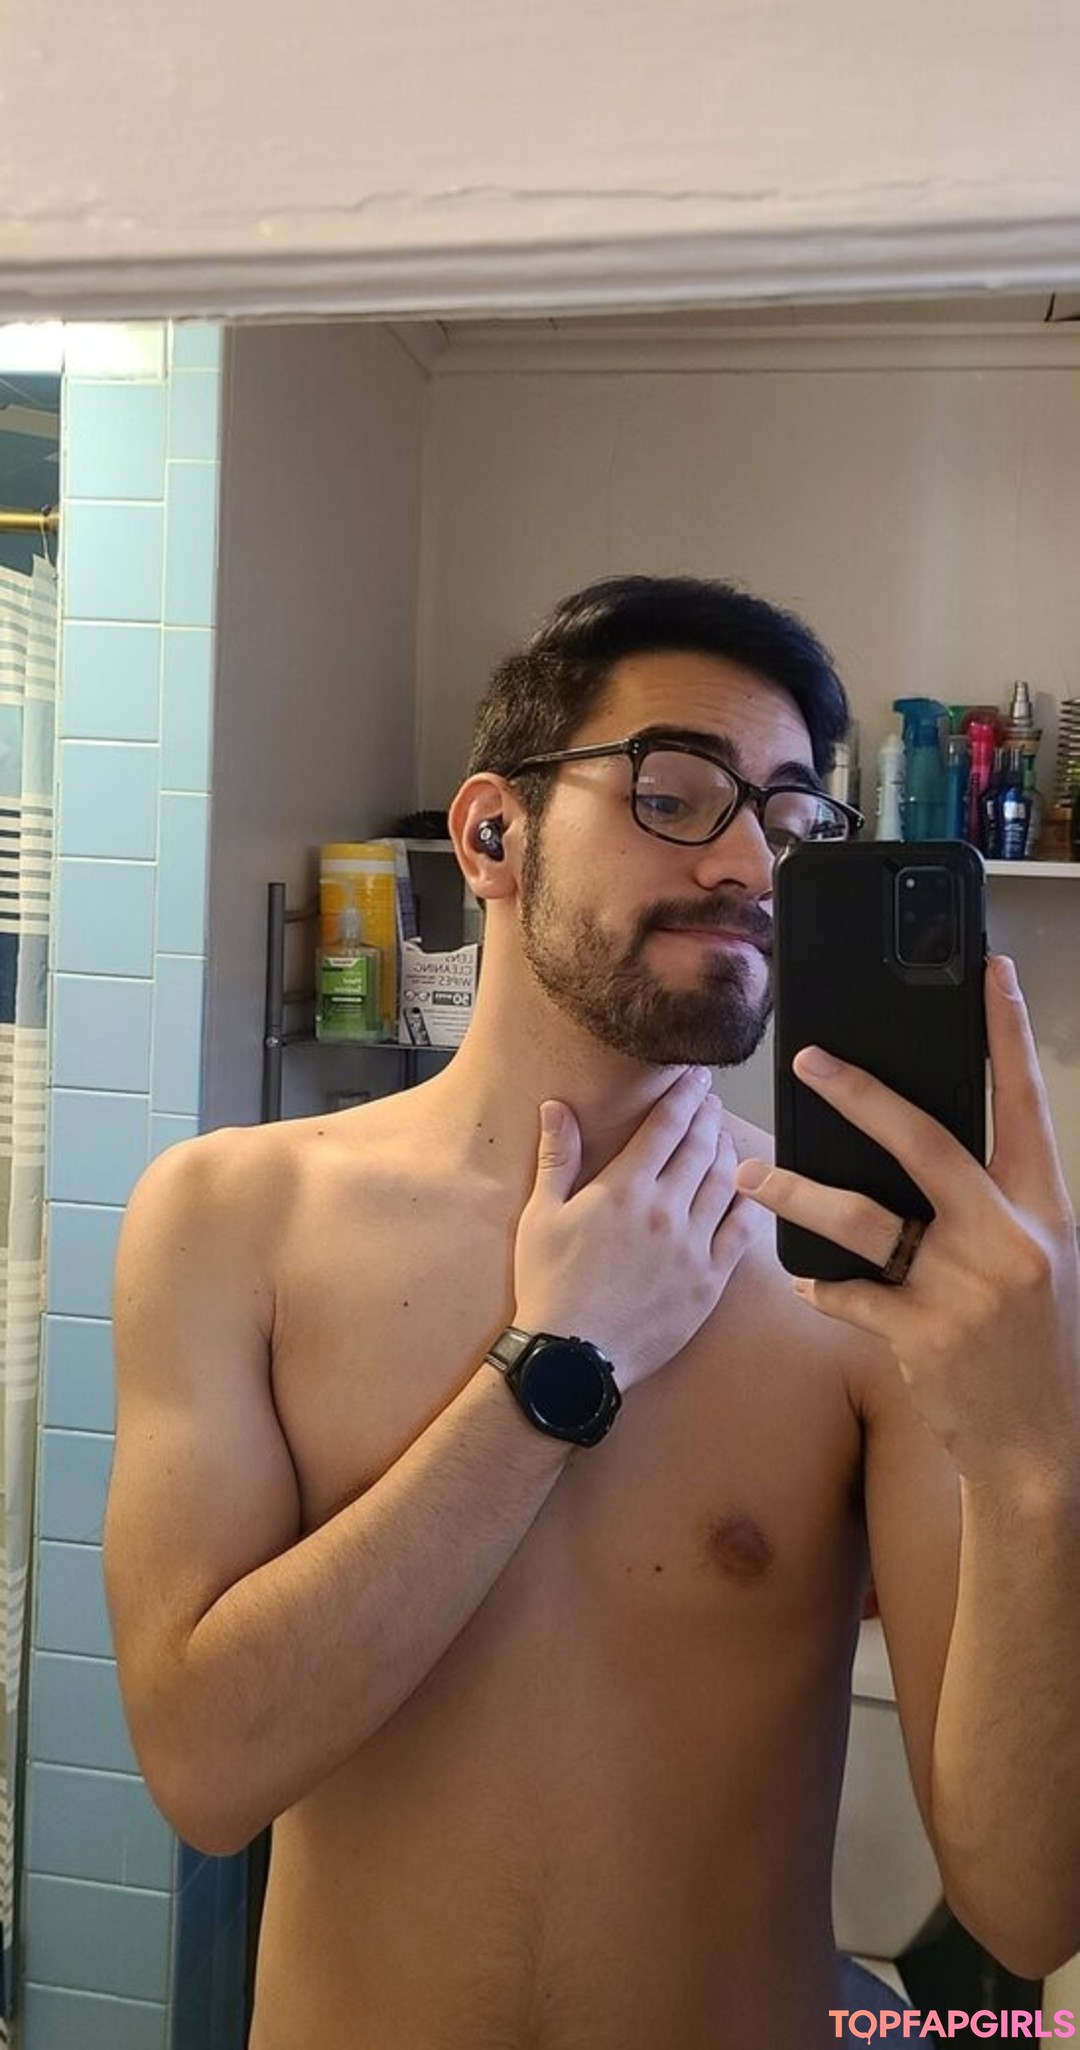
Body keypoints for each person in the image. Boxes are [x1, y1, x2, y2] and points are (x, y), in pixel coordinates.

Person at [104, 576, 1080, 2050]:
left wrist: (1034, 1454)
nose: (749, 861)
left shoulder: (858, 1282)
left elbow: (1026, 1907)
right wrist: (556, 1368)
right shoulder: (233, 1219)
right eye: (675, 794)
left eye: (791, 820)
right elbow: (204, 1771)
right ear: (491, 835)